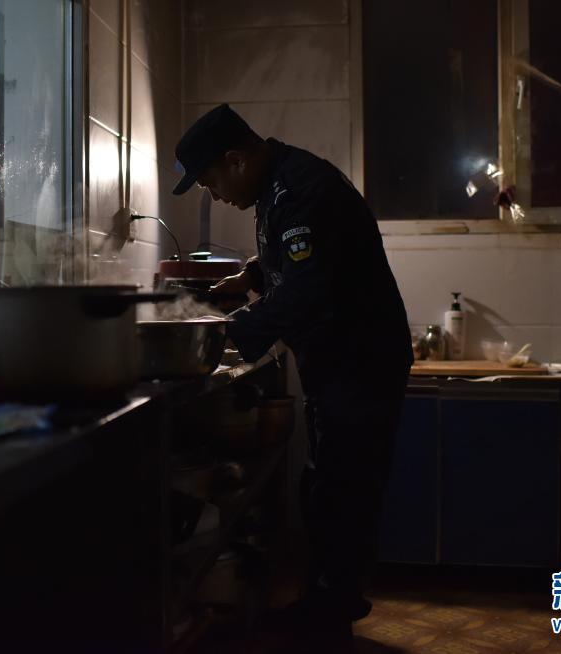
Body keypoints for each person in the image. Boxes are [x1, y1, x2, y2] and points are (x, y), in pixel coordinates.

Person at [172, 104, 413, 646]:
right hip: (342, 361)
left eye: (210, 182)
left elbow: (308, 291)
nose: (215, 196)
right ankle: (328, 606)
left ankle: (330, 618)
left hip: (360, 362)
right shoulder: (280, 184)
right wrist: (249, 276)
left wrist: (227, 332)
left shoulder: (301, 190)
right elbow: (302, 260)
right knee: (326, 485)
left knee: (342, 490)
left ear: (235, 160)